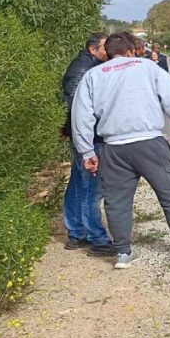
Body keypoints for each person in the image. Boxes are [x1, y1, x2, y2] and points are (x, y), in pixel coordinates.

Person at [71, 33, 170, 269]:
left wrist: (87, 152)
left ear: (108, 53)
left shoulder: (93, 76)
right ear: (129, 51)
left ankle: (123, 253)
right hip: (149, 142)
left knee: (116, 201)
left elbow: (81, 116)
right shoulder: (148, 67)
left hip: (114, 147)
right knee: (168, 191)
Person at [60, 33, 113, 256]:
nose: (108, 52)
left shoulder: (85, 65)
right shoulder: (83, 70)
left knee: (78, 183)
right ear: (93, 49)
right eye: (105, 48)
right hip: (89, 137)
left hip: (82, 135)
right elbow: (76, 104)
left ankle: (76, 232)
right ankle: (96, 238)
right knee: (91, 187)